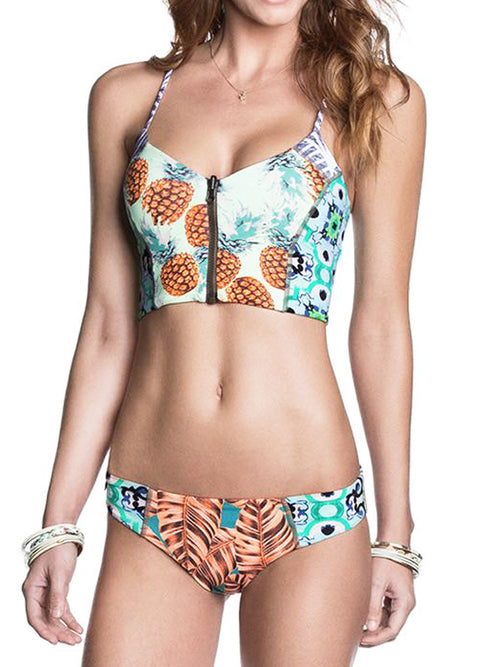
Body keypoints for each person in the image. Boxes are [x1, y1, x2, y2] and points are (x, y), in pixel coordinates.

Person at [21, 0, 426, 664]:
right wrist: (58, 523)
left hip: (310, 512)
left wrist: (396, 535)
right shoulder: (127, 98)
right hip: (152, 509)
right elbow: (107, 323)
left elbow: (382, 323)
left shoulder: (374, 100)